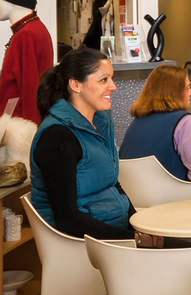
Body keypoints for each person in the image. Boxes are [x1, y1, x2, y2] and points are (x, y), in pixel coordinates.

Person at [30, 47, 163, 248]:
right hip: (89, 247)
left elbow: (112, 184)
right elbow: (68, 219)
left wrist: (138, 226)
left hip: (113, 234)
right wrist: (134, 239)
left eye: (111, 78)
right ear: (75, 85)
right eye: (103, 80)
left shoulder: (99, 122)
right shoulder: (57, 137)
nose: (113, 86)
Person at [120, 65, 191, 183]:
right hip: (172, 195)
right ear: (174, 92)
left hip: (134, 195)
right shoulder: (184, 119)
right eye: (188, 87)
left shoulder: (138, 121)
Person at [0, 0, 54, 124]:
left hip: (20, 128)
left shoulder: (26, 35)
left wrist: (31, 135)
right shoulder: (33, 29)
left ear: (12, 0)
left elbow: (30, 90)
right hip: (21, 124)